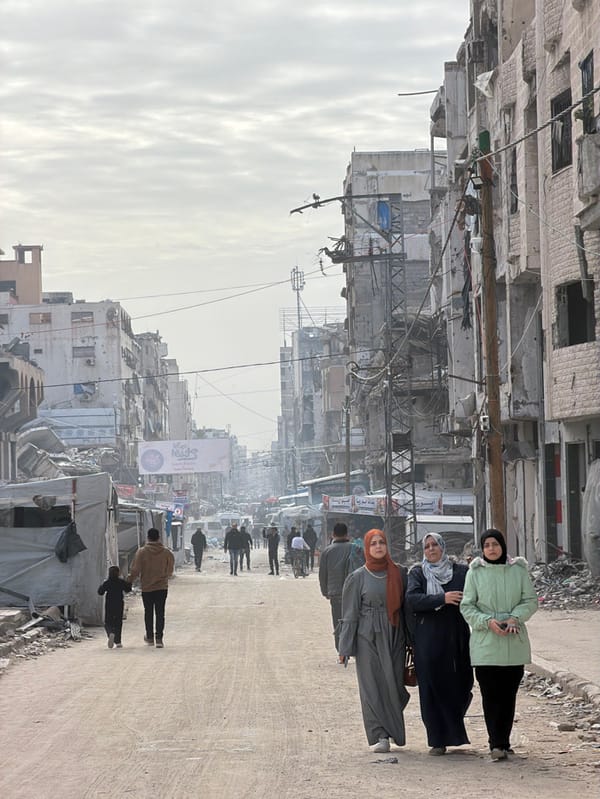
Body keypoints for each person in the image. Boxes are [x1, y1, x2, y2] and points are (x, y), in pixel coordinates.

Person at [460, 528, 538, 761]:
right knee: (490, 695)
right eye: (487, 545)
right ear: (482, 549)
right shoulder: (475, 573)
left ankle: (503, 740)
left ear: (502, 546)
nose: (491, 549)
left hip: (514, 642)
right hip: (486, 643)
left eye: (495, 544)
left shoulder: (518, 570)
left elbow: (530, 600)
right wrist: (486, 621)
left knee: (508, 695)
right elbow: (467, 606)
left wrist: (515, 617)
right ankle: (496, 742)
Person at [338, 529, 411, 753]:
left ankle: (390, 726)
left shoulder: (399, 573)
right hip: (367, 636)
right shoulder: (358, 577)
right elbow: (350, 614)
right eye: (374, 544)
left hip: (394, 634)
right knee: (371, 686)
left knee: (394, 685)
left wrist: (412, 640)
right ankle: (380, 734)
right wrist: (344, 647)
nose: (378, 547)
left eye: (382, 542)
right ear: (367, 548)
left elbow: (408, 608)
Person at [406, 533, 473, 755]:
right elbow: (412, 600)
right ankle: (437, 739)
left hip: (457, 636)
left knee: (462, 685)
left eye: (435, 545)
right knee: (431, 688)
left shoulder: (461, 571)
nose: (431, 549)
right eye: (426, 546)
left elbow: (475, 594)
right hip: (429, 638)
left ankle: (454, 730)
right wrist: (441, 599)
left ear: (442, 547)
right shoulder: (418, 573)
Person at [128, 528, 175, 648]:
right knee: (160, 613)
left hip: (147, 587)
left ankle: (150, 637)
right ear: (158, 537)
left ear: (148, 537)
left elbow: (135, 570)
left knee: (148, 612)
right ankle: (159, 639)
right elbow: (170, 572)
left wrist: (129, 582)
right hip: (161, 587)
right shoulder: (166, 552)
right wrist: (163, 576)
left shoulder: (141, 552)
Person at [318, 521, 353, 662]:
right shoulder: (355, 548)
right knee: (353, 621)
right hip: (353, 593)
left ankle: (342, 653)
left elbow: (322, 574)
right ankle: (354, 648)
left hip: (336, 593)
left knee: (338, 622)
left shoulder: (326, 551)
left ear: (333, 534)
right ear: (347, 534)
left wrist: (325, 591)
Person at [98, 565, 132, 649]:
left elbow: (100, 592)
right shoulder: (121, 582)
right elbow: (128, 589)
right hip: (119, 604)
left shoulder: (107, 582)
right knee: (118, 623)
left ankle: (110, 633)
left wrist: (101, 586)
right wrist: (129, 582)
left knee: (108, 622)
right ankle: (118, 641)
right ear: (118, 573)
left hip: (109, 604)